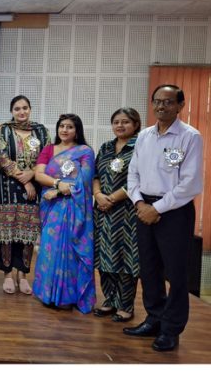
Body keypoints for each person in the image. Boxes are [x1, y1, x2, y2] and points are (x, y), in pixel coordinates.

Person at [124, 85, 203, 352]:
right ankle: (154, 319)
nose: (161, 106)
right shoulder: (144, 136)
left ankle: (171, 329)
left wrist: (157, 208)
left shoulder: (190, 137)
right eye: (157, 101)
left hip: (174, 212)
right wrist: (139, 202)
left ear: (180, 105)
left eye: (168, 102)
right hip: (143, 206)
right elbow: (132, 174)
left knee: (176, 273)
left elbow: (190, 184)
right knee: (149, 269)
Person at [33, 114, 95, 313]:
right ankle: (47, 293)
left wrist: (59, 190)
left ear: (77, 130)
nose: (65, 130)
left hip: (73, 207)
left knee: (68, 250)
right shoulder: (49, 149)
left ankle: (68, 296)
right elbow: (39, 174)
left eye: (70, 126)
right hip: (51, 205)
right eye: (62, 126)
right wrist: (58, 184)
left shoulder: (85, 151)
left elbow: (84, 180)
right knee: (50, 249)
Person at [0, 95, 50, 295]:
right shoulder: (3, 130)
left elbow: (47, 157)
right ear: (12, 111)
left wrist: (33, 175)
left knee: (28, 232)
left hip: (34, 189)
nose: (21, 112)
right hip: (8, 188)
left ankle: (23, 274)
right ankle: (8, 274)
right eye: (17, 108)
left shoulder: (41, 131)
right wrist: (24, 179)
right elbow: (1, 158)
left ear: (30, 109)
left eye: (25, 108)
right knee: (8, 232)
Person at [93, 108, 141, 322]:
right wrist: (98, 195)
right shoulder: (105, 147)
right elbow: (95, 175)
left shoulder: (141, 147)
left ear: (135, 124)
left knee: (126, 258)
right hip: (102, 211)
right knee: (105, 257)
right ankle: (110, 300)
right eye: (116, 122)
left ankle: (126, 305)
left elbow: (141, 179)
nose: (120, 126)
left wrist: (111, 198)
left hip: (127, 213)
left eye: (125, 122)